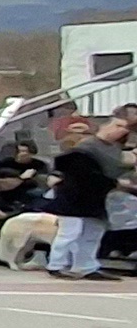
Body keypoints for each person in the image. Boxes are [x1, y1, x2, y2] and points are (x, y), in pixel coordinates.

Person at [44, 114, 121, 280]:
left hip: (93, 198)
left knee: (92, 233)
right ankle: (56, 265)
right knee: (69, 233)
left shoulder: (110, 150)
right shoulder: (84, 149)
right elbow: (73, 169)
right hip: (73, 197)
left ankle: (85, 266)